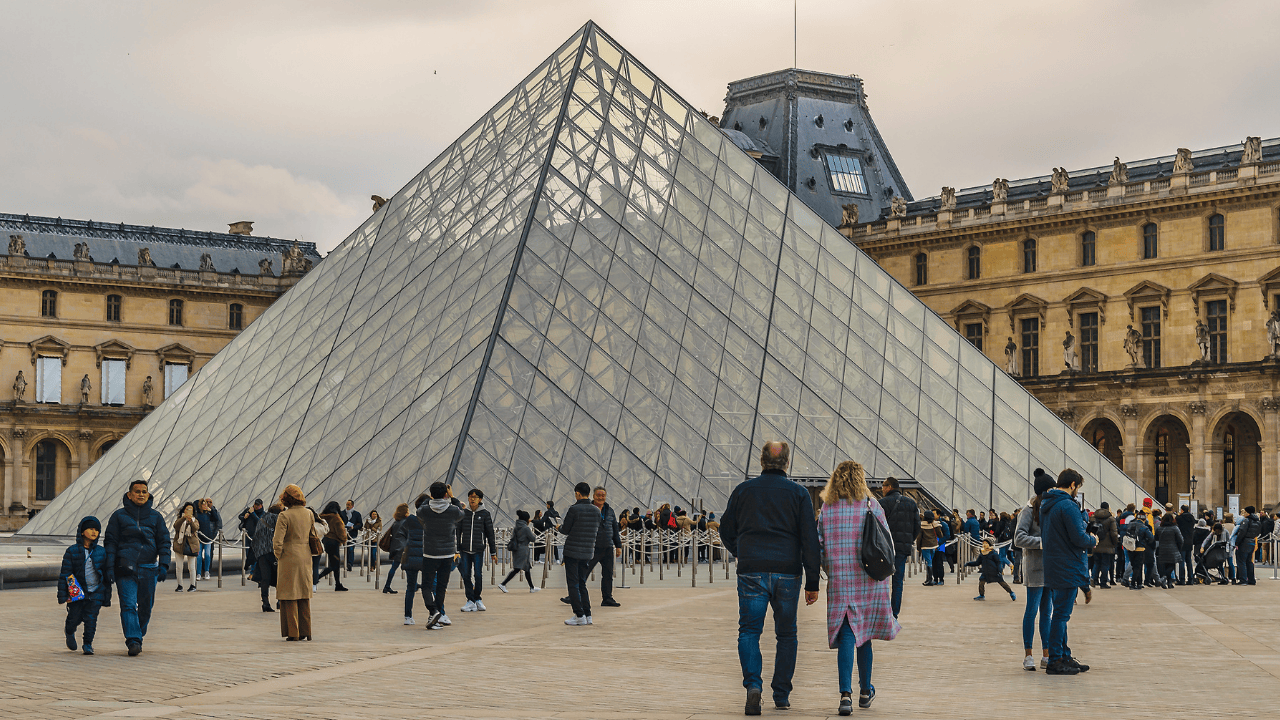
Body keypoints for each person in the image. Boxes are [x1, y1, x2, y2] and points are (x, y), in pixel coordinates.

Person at [719, 441, 821, 715]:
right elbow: (810, 540)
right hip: (788, 571)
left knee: (749, 630)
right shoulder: (799, 494)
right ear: (787, 463)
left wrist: (741, 551)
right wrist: (813, 582)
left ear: (761, 461)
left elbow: (726, 529)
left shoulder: (743, 490)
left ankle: (753, 686)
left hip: (752, 569)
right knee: (787, 634)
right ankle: (782, 694)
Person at [817, 461, 899, 713]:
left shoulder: (827, 509)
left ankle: (845, 695)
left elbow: (819, 545)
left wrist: (829, 568)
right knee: (863, 636)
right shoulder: (871, 505)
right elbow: (887, 545)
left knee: (846, 635)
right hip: (869, 580)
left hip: (841, 580)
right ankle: (865, 690)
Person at [103, 479, 170, 657]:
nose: (141, 494)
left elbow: (164, 541)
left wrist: (164, 564)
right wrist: (109, 567)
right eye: (137, 491)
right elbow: (111, 542)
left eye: (144, 491)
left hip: (149, 567)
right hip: (125, 567)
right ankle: (133, 639)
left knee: (146, 607)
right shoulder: (118, 516)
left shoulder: (156, 517)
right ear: (129, 495)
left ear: (148, 494)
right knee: (128, 605)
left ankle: (138, 632)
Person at [1039, 468, 1096, 676]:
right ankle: (1055, 659)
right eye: (1077, 487)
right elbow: (1079, 538)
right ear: (1073, 485)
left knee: (1060, 614)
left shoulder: (1048, 504)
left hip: (1054, 565)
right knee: (1061, 616)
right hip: (1067, 565)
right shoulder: (1068, 506)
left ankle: (1063, 654)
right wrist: (1093, 540)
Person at [1014, 472, 1055, 671]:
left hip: (1051, 567)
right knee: (1032, 611)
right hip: (1035, 567)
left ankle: (1046, 654)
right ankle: (1028, 654)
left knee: (1047, 613)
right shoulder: (1028, 510)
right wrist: (1042, 543)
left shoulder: (1052, 508)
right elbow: (1018, 538)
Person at [58, 516, 112, 655]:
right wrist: (64, 595)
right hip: (77, 592)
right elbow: (66, 574)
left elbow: (106, 575)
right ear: (82, 531)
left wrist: (106, 594)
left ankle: (88, 643)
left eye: (97, 530)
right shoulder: (72, 551)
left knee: (91, 619)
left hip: (96, 591)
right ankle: (69, 631)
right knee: (74, 617)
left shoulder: (101, 551)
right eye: (91, 529)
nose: (94, 532)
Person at [273, 484, 317, 641]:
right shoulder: (309, 513)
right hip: (305, 556)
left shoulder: (284, 516)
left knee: (289, 595)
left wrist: (278, 555)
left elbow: (277, 541)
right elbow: (313, 534)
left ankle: (294, 632)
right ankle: (307, 631)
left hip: (289, 557)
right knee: (304, 595)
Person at [417, 481, 464, 630]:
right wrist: (452, 496)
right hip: (447, 553)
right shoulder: (452, 510)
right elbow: (461, 511)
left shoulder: (425, 510)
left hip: (430, 553)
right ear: (445, 494)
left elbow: (419, 509)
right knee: (441, 587)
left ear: (431, 494)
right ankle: (435, 616)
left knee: (426, 585)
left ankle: (433, 611)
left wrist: (430, 499)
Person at [876, 477, 919, 618]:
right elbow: (917, 528)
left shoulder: (881, 503)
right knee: (898, 581)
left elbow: (877, 526)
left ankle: (881, 611)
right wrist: (908, 541)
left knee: (881, 580)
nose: (881, 488)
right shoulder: (911, 503)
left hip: (884, 548)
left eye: (883, 485)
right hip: (902, 548)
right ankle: (894, 613)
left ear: (889, 487)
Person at [560, 482, 602, 626]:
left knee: (573, 584)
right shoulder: (596, 511)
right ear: (589, 493)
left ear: (577, 493)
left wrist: (559, 527)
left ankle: (579, 615)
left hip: (572, 551)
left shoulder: (574, 509)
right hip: (587, 552)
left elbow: (565, 530)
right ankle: (588, 614)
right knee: (582, 583)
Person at [457, 488, 497, 613]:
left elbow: (490, 534)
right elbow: (458, 532)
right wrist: (457, 549)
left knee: (478, 575)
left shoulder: (485, 514)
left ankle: (477, 598)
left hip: (478, 549)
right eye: (470, 496)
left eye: (475, 497)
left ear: (480, 499)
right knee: (466, 575)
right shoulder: (463, 513)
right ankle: (470, 600)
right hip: (464, 549)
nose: (472, 499)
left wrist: (493, 552)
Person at [588, 486, 623, 607]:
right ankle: (573, 596)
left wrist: (618, 545)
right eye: (598, 495)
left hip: (608, 546)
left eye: (603, 495)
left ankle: (607, 598)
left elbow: (615, 529)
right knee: (583, 572)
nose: (601, 497)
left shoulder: (610, 510)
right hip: (592, 547)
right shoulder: (588, 509)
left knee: (608, 574)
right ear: (593, 496)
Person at [498, 509, 539, 593]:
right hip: (523, 549)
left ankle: (531, 587)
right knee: (517, 569)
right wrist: (533, 535)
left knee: (527, 568)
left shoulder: (516, 527)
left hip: (516, 549)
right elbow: (533, 539)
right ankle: (503, 584)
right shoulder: (526, 528)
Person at [400, 496, 427, 624]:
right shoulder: (430, 521)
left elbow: (403, 530)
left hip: (411, 555)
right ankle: (434, 613)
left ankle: (408, 616)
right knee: (430, 587)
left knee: (410, 588)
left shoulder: (410, 519)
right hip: (425, 556)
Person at [252, 503, 281, 612]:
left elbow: (255, 538)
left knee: (265, 578)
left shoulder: (262, 519)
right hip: (274, 553)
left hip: (262, 554)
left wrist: (258, 554)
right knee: (279, 577)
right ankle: (280, 601)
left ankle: (265, 602)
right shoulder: (278, 518)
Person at [315, 501, 349, 591]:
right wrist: (343, 539)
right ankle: (316, 578)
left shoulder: (321, 516)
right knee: (334, 564)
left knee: (335, 564)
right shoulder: (336, 518)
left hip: (325, 541)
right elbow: (341, 532)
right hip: (334, 542)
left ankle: (338, 584)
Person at [171, 502, 200, 592]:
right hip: (180, 544)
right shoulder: (180, 519)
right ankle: (180, 585)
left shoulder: (195, 520)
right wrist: (184, 517)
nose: (188, 511)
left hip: (192, 545)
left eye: (190, 509)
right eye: (187, 509)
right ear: (184, 510)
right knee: (179, 567)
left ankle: (192, 585)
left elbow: (195, 528)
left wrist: (190, 521)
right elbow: (176, 526)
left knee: (191, 567)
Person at [382, 504, 409, 595]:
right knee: (407, 567)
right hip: (403, 547)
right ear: (405, 512)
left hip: (395, 547)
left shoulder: (396, 522)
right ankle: (387, 586)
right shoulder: (405, 522)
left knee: (395, 566)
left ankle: (387, 586)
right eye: (407, 511)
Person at [1091, 502, 1118, 589]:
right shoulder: (1111, 519)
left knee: (1097, 562)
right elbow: (1114, 533)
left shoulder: (1094, 518)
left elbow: (1090, 530)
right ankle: (1103, 582)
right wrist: (1115, 543)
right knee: (1105, 564)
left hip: (1096, 543)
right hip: (1108, 545)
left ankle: (1094, 579)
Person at [1154, 513, 1185, 589]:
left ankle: (1169, 583)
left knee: (1165, 566)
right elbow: (1181, 540)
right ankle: (1164, 578)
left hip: (1162, 549)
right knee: (1171, 565)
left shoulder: (1159, 528)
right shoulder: (1175, 528)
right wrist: (1179, 547)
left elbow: (1156, 538)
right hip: (1173, 549)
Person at [193, 498, 220, 581]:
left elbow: (216, 518)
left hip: (208, 537)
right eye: (204, 504)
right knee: (199, 556)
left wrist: (211, 510)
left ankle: (207, 571)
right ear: (200, 506)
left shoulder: (208, 513)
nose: (206, 505)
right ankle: (198, 573)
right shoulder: (197, 515)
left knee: (208, 555)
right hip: (199, 538)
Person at [1235, 506, 1262, 585]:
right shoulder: (1257, 521)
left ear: (1248, 513)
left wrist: (1237, 543)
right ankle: (1251, 580)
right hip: (1252, 541)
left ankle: (1243, 580)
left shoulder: (1246, 521)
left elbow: (1242, 532)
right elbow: (1258, 532)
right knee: (1249, 562)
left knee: (1241, 561)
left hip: (1244, 542)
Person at [1126, 514, 1154, 590]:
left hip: (1130, 548)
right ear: (1144, 520)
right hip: (1140, 549)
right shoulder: (1144, 527)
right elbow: (1151, 538)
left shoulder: (1130, 524)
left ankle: (1139, 583)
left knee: (1134, 566)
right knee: (1138, 567)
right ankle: (1133, 584)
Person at [238, 499, 265, 572]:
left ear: (261, 505)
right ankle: (253, 570)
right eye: (255, 504)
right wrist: (244, 517)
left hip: (256, 536)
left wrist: (252, 513)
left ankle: (253, 571)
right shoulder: (248, 510)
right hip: (247, 535)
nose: (256, 506)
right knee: (247, 553)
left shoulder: (263, 513)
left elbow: (259, 522)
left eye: (258, 505)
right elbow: (240, 516)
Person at [917, 511, 941, 586]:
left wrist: (918, 547)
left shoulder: (921, 525)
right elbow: (940, 535)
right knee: (930, 561)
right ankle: (928, 579)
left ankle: (930, 580)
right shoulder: (935, 524)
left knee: (928, 562)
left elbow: (919, 538)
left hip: (925, 546)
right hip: (933, 546)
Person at [1175, 505, 1196, 585]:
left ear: (1182, 510)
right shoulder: (1192, 518)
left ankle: (1182, 579)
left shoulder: (1179, 518)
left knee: (1182, 561)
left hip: (1182, 541)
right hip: (1190, 541)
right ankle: (1191, 579)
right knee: (1189, 561)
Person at [340, 500, 362, 572]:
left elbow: (360, 524)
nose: (347, 506)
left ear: (352, 505)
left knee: (351, 549)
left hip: (353, 534)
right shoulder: (342, 513)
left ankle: (350, 563)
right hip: (344, 534)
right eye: (346, 504)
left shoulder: (357, 514)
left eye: (349, 504)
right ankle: (347, 563)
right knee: (346, 549)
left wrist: (354, 527)